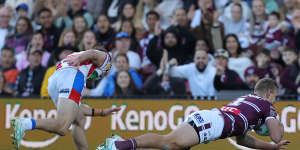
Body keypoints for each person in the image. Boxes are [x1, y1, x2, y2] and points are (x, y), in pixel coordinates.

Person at [100, 78, 290, 150]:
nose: (275, 102)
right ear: (268, 93)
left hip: (212, 119)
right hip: (213, 123)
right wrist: (277, 126)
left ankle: (122, 146)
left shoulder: (248, 103)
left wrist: (270, 148)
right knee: (168, 141)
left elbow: (242, 140)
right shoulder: (265, 105)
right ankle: (117, 145)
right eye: (275, 97)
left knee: (171, 146)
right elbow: (276, 135)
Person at [11, 48, 120, 150]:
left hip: (55, 79)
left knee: (78, 119)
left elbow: (78, 109)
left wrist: (101, 112)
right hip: (72, 77)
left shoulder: (78, 57)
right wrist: (80, 59)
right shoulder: (104, 58)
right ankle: (24, 124)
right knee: (62, 126)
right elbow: (93, 53)